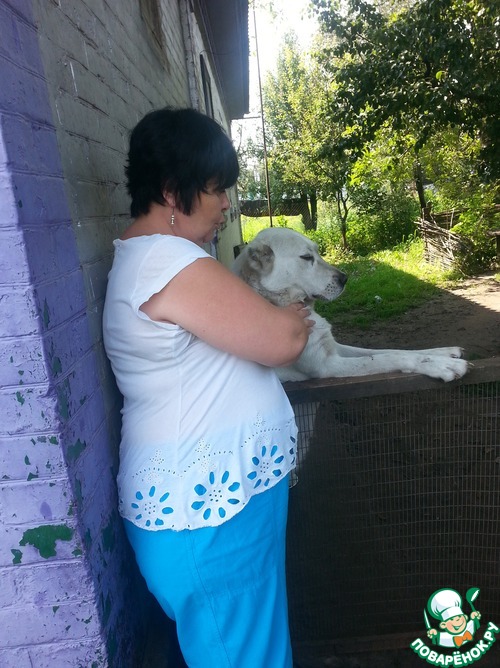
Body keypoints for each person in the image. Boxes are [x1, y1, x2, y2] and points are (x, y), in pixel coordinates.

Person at [102, 107, 314, 667]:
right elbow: (285, 339)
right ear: (173, 191)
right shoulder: (168, 261)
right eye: (217, 189)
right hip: (210, 522)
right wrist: (291, 316)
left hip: (212, 512)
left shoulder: (151, 261)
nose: (227, 205)